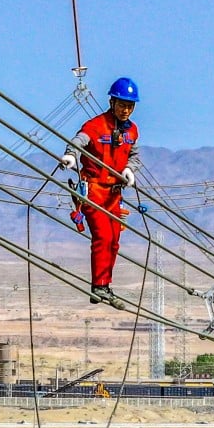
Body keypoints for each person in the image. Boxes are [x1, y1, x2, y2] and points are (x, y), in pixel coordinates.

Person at [61, 77, 140, 307]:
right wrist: (70, 155)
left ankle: (104, 285)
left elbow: (134, 156)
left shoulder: (132, 131)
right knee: (103, 236)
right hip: (94, 190)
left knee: (114, 240)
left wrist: (129, 169)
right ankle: (99, 286)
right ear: (112, 102)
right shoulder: (95, 126)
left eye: (130, 106)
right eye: (122, 104)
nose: (126, 110)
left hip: (114, 194)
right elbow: (78, 142)